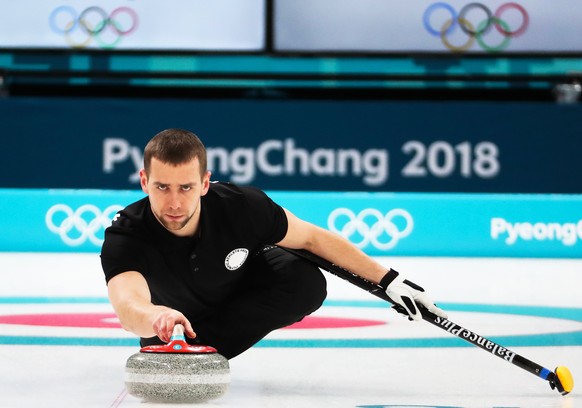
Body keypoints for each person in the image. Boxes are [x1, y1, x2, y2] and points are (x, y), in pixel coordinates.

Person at [101, 128, 446, 360]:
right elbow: (128, 305)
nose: (175, 203)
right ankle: (184, 344)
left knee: (305, 281)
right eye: (162, 187)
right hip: (171, 324)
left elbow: (312, 238)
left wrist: (388, 279)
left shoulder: (241, 205)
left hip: (238, 295)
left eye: (186, 187)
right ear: (144, 181)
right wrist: (157, 317)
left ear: (205, 183)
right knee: (161, 331)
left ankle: (203, 347)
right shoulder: (127, 234)